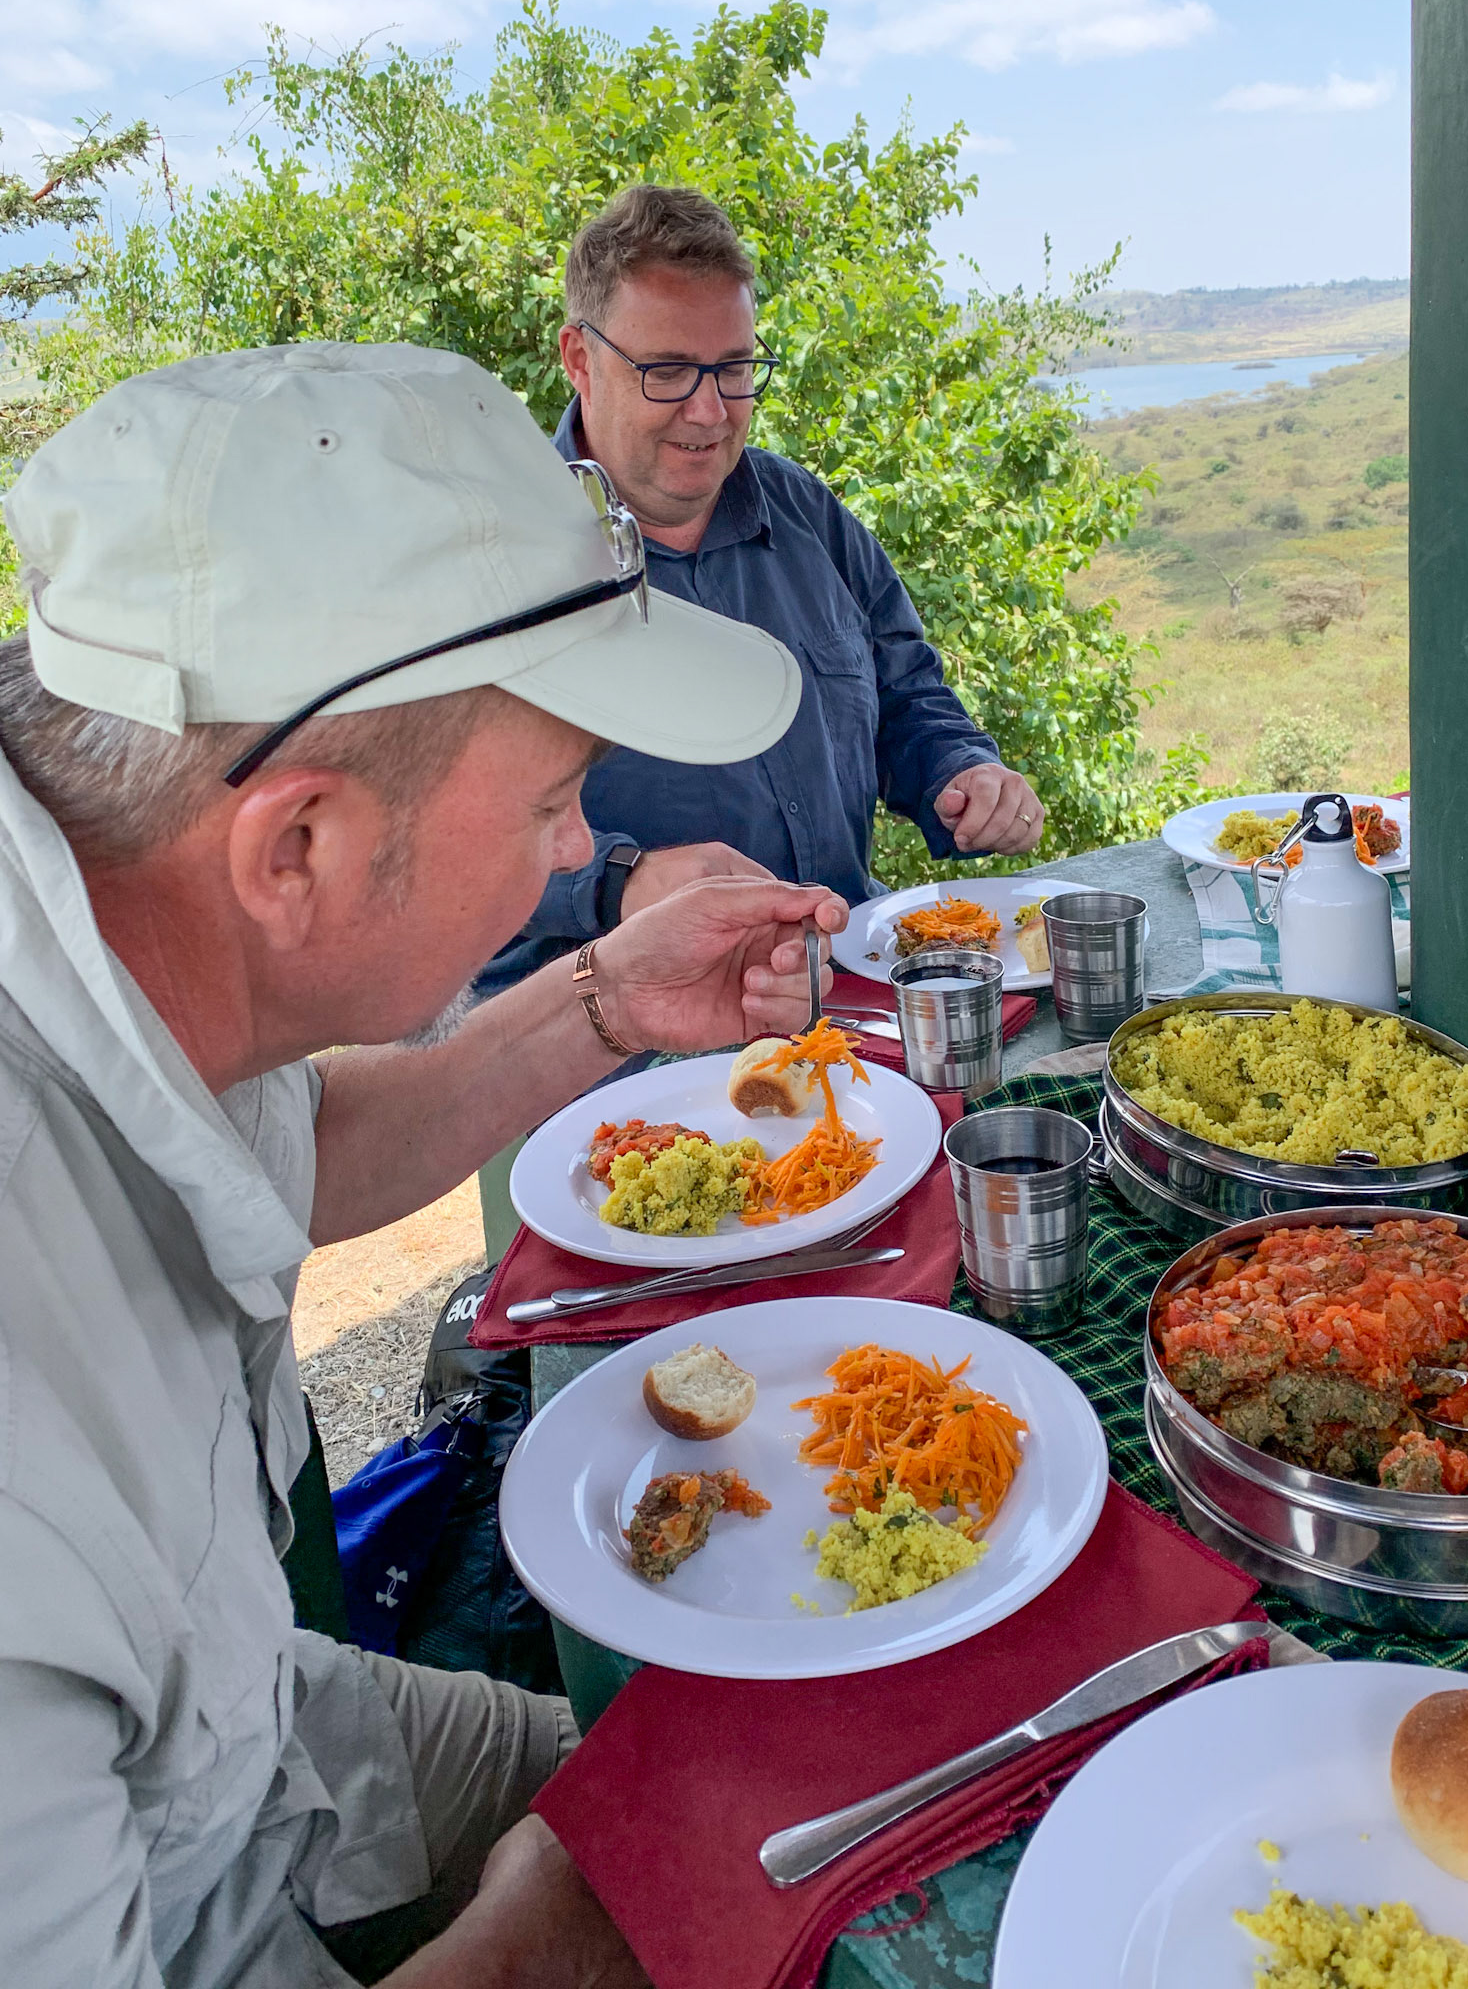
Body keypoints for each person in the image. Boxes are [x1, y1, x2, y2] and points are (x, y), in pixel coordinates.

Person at [0, 340, 848, 1988]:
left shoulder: (121, 936)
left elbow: (289, 1151)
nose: (576, 850)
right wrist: (547, 1941)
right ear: (296, 847)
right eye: (552, 800)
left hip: (268, 1748)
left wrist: (607, 995)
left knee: (773, 1794)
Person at [475, 183, 1045, 996]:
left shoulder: (804, 511)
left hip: (840, 990)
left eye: (734, 369)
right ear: (579, 359)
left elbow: (907, 695)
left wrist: (961, 772)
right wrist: (623, 881)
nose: (710, 411)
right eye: (669, 371)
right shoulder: (487, 561)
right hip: (600, 1034)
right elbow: (436, 839)